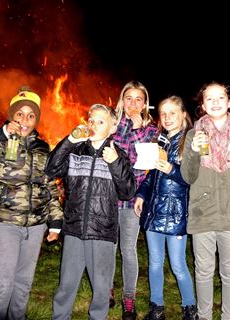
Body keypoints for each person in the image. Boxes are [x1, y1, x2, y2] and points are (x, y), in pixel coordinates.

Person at [0, 86, 63, 319]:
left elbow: (49, 185)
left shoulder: (42, 148)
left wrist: (55, 220)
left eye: (31, 115)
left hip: (36, 225)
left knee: (23, 283)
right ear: (11, 116)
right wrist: (0, 134)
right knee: (4, 284)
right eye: (20, 114)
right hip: (4, 223)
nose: (25, 120)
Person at [45, 103, 136, 320]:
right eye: (91, 120)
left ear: (113, 127)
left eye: (101, 121)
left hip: (102, 232)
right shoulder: (76, 151)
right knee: (66, 283)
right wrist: (70, 141)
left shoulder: (118, 155)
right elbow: (51, 169)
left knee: (102, 287)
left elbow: (127, 191)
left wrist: (114, 163)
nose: (94, 125)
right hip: (74, 228)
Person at [180, 81, 230, 320]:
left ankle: (229, 317)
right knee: (203, 271)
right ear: (202, 104)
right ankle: (204, 316)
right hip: (203, 210)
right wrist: (192, 152)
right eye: (209, 99)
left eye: (221, 98)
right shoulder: (194, 134)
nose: (215, 103)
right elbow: (188, 176)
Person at [133, 95, 198, 320]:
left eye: (172, 113)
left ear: (182, 115)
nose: (168, 117)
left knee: (179, 265)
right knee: (154, 263)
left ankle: (190, 307)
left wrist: (171, 169)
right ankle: (156, 306)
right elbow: (151, 176)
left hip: (177, 213)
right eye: (163, 113)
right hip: (154, 212)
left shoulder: (189, 142)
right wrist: (141, 195)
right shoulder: (159, 141)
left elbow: (191, 178)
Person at [111, 80, 159, 319]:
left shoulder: (151, 130)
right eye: (128, 98)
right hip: (108, 195)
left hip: (132, 199)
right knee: (109, 246)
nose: (133, 103)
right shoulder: (111, 123)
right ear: (122, 100)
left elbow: (145, 165)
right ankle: (106, 287)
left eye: (138, 99)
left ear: (145, 104)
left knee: (128, 249)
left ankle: (128, 297)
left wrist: (139, 131)